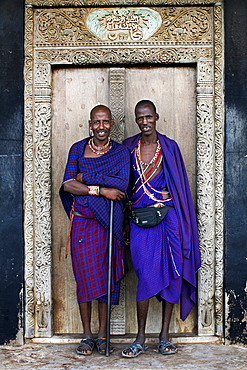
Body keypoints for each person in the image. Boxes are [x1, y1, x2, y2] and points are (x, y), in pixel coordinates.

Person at [122, 100, 201, 358]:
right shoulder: (128, 147)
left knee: (173, 272)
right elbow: (120, 184)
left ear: (156, 116)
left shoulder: (169, 147)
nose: (144, 122)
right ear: (136, 120)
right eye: (139, 118)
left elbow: (179, 187)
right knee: (145, 274)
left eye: (148, 117)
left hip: (168, 219)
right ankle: (140, 337)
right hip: (140, 220)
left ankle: (165, 336)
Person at [59, 105, 130, 356]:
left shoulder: (121, 152)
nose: (101, 126)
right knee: (85, 279)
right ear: (90, 124)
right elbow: (68, 184)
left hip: (107, 223)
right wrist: (100, 189)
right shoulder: (78, 149)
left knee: (106, 278)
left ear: (112, 124)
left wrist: (85, 175)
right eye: (96, 122)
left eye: (106, 122)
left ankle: (102, 336)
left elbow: (122, 184)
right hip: (83, 222)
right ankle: (87, 335)